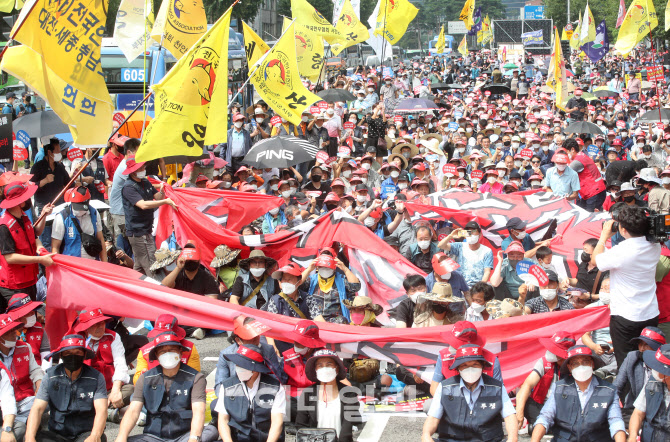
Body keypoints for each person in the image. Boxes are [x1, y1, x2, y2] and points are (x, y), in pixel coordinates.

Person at [115, 332, 218, 442]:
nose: (167, 354)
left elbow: (198, 411)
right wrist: (121, 437)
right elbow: (133, 411)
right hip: (153, 436)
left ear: (180, 352)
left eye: (172, 350)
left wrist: (193, 438)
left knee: (211, 431)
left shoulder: (195, 377)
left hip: (185, 435)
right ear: (157, 356)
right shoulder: (146, 378)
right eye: (163, 351)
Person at [592, 206, 661, 367]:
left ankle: (629, 391)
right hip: (650, 313)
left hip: (625, 317)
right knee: (648, 360)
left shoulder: (622, 251)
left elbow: (596, 261)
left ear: (622, 229)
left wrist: (604, 236)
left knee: (627, 363)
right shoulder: (655, 246)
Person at [422, 344, 519, 442]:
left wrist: (512, 438)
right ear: (458, 369)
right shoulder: (445, 387)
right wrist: (426, 435)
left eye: (475, 365)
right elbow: (433, 417)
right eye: (464, 365)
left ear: (482, 366)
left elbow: (509, 415)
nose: (470, 369)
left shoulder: (497, 387)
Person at [531, 345, 626, 442]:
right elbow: (545, 417)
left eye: (585, 362)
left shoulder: (608, 390)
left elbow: (616, 421)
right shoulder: (560, 388)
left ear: (592, 364)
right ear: (569, 367)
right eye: (575, 363)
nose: (581, 367)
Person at [25, 334, 108, 442]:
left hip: (85, 433)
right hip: (57, 434)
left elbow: (102, 410)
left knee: (99, 439)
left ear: (84, 354)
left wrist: (94, 435)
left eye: (77, 352)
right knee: (33, 436)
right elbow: (37, 408)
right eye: (68, 353)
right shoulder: (50, 376)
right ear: (61, 355)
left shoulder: (96, 377)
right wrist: (29, 438)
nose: (73, 356)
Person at [69, 308, 133, 425]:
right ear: (85, 327)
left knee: (130, 390)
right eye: (95, 324)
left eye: (102, 322)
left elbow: (120, 364)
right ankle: (106, 412)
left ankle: (96, 411)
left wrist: (115, 390)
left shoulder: (113, 336)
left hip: (108, 389)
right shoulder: (74, 340)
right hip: (84, 390)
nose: (100, 327)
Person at [0, 181, 54, 309]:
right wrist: (40, 259)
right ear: (20, 201)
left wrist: (44, 216)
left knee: (32, 318)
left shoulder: (23, 217)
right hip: (14, 286)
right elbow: (10, 257)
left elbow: (35, 235)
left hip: (29, 280)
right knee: (21, 321)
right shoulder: (4, 225)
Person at [121, 158, 178, 279]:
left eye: (143, 167)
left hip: (146, 229)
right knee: (152, 266)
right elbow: (142, 204)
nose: (143, 169)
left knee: (140, 266)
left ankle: (133, 286)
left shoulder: (145, 182)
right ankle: (158, 289)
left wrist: (162, 191)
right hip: (137, 232)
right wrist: (165, 201)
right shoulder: (128, 187)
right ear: (133, 171)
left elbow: (156, 197)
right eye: (140, 168)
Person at [216, 344, 285, 442]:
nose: (238, 368)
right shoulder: (228, 386)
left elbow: (277, 423)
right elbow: (223, 420)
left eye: (242, 366)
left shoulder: (275, 387)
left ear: (255, 370)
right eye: (237, 365)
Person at [296, 349, 363, 442]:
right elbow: (300, 425)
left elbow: (350, 424)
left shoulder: (349, 393)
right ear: (315, 370)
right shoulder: (308, 393)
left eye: (329, 364)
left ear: (337, 368)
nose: (325, 368)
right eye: (320, 365)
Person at [515, 332, 576, 431]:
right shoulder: (544, 363)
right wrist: (519, 412)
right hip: (540, 405)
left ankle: (543, 428)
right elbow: (527, 384)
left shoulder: (575, 367)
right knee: (527, 404)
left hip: (565, 407)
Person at [214, 316, 285, 396]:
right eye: (251, 338)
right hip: (237, 394)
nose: (255, 339)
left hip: (263, 393)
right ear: (238, 340)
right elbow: (220, 385)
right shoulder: (226, 354)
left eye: (257, 335)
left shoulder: (268, 350)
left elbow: (277, 378)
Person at [430, 320, 503, 396]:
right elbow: (434, 388)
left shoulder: (491, 360)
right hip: (451, 401)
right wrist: (448, 404)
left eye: (475, 364)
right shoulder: (444, 356)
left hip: (483, 402)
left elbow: (499, 391)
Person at [0, 313, 42, 442]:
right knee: (20, 426)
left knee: (45, 401)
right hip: (3, 404)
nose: (15, 333)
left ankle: (13, 424)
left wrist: (40, 386)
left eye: (15, 329)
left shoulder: (25, 347)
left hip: (24, 401)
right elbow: (6, 397)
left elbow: (36, 370)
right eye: (9, 331)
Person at [614, 326, 665, 425]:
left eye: (647, 345)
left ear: (659, 348)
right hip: (633, 411)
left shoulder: (666, 364)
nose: (642, 349)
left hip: (660, 413)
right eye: (640, 344)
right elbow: (616, 386)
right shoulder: (632, 357)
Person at [133, 315, 200, 385]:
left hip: (182, 387)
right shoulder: (144, 352)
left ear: (180, 351)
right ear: (155, 354)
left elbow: (194, 377)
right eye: (162, 351)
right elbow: (137, 383)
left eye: (172, 348)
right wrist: (142, 375)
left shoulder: (189, 348)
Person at [281, 320, 324, 422]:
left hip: (315, 397)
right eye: (295, 340)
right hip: (292, 399)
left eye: (299, 342)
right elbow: (278, 381)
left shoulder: (324, 358)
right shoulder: (287, 357)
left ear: (309, 345)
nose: (295, 344)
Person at [51, 186, 106, 262]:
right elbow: (55, 247)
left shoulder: (94, 213)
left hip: (92, 263)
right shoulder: (61, 217)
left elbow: (101, 239)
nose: (79, 211)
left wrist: (104, 263)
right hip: (71, 265)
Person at [628, 343, 670, 441]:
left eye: (657, 367)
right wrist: (632, 436)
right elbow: (638, 413)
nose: (653, 369)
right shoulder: (652, 383)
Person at [303, 252, 361, 324]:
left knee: (341, 320)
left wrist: (345, 269)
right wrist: (309, 269)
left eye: (327, 267)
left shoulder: (341, 280)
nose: (325, 269)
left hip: (335, 323)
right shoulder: (312, 280)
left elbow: (355, 287)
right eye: (322, 267)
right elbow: (297, 284)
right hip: (314, 320)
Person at [264, 263, 309, 354]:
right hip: (283, 345)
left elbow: (319, 321)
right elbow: (268, 325)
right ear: (280, 283)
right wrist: (272, 345)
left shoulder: (309, 299)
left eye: (290, 280)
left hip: (304, 345)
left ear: (299, 282)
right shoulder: (275, 300)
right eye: (284, 280)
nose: (286, 283)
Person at [438, 221, 494, 287]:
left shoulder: (487, 251)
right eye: (468, 232)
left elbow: (487, 272)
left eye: (474, 231)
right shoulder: (460, 246)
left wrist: (480, 288)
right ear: (465, 235)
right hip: (460, 285)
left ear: (480, 235)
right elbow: (441, 245)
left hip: (476, 287)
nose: (471, 234)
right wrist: (450, 236)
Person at [5, 292, 49, 366]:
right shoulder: (6, 331)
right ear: (18, 317)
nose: (33, 314)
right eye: (29, 313)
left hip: (37, 370)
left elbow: (46, 353)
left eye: (33, 311)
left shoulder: (38, 328)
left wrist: (43, 374)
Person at [565, 137, 607, 211]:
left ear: (572, 149)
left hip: (594, 192)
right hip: (589, 193)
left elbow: (565, 174)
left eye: (566, 152)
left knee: (590, 217)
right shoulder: (580, 156)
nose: (565, 155)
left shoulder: (578, 160)